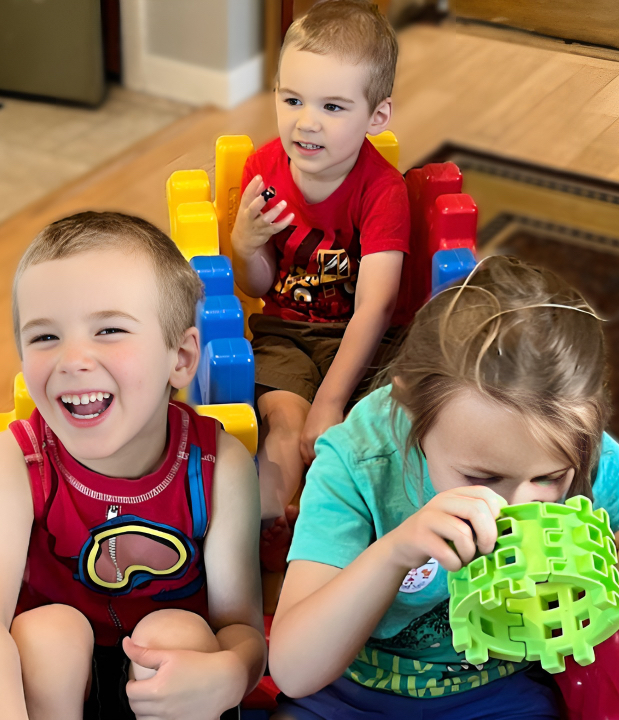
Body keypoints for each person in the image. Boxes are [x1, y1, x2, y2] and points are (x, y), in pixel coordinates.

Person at [267, 256, 619, 719]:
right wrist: (395, 552)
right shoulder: (360, 460)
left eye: (549, 478)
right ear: (410, 408)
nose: (515, 503)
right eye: (481, 478)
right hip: (350, 691)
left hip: (496, 693)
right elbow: (293, 669)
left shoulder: (586, 456)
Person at [0, 212, 266, 720]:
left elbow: (241, 629)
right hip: (51, 689)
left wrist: (232, 673)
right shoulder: (17, 462)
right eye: (45, 337)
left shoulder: (217, 465)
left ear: (181, 359)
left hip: (170, 687)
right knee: (45, 635)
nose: (74, 359)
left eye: (109, 329)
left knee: (179, 634)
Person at [231, 0, 415, 527]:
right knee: (284, 422)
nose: (306, 123)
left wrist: (331, 400)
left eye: (333, 107)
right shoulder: (262, 169)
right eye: (292, 99)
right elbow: (259, 286)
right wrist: (246, 246)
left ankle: (346, 532)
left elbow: (375, 308)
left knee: (366, 432)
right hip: (284, 331)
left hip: (366, 340)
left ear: (376, 116)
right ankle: (265, 527)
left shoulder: (383, 190)